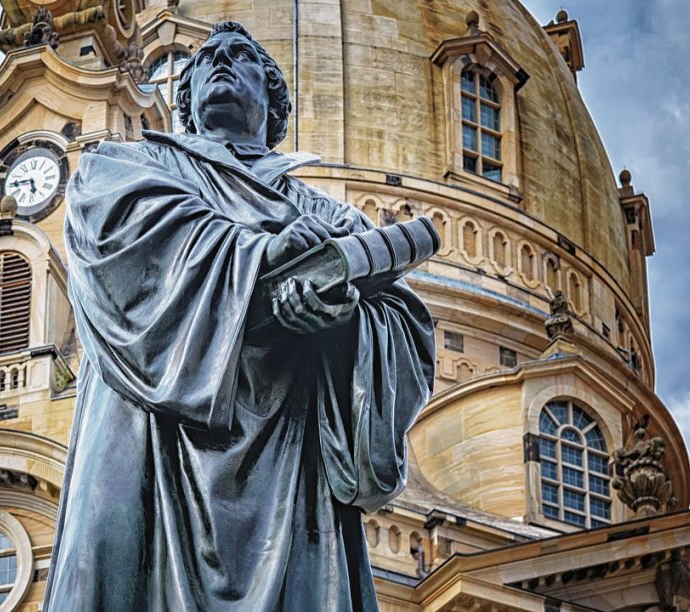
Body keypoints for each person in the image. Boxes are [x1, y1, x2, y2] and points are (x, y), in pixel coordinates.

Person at [43, 21, 435, 611]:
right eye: (208, 59)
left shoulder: (328, 215)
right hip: (150, 436)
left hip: (290, 460)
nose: (223, 62)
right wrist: (259, 254)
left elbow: (403, 328)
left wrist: (340, 321)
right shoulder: (128, 166)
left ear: (274, 102)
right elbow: (116, 239)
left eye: (242, 58)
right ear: (188, 93)